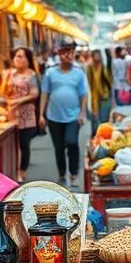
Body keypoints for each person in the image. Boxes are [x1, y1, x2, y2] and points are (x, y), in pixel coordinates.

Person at [39, 38, 88, 190]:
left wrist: (82, 113)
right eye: (65, 52)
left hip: (73, 116)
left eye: (71, 52)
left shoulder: (79, 73)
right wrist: (41, 114)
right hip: (54, 116)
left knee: (72, 142)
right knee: (59, 147)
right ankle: (62, 173)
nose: (69, 55)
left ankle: (73, 174)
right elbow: (45, 93)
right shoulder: (50, 72)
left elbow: (83, 94)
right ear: (59, 53)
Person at [0, 47, 40, 183]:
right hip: (11, 113)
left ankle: (22, 172)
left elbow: (35, 94)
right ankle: (11, 171)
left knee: (24, 144)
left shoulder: (31, 75)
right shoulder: (10, 74)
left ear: (28, 59)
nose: (18, 59)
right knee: (11, 144)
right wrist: (5, 79)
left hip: (26, 114)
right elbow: (2, 93)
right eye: (17, 56)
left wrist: (19, 100)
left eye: (22, 56)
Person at [86, 49, 112, 134]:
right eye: (95, 55)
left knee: (104, 120)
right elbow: (89, 83)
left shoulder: (104, 67)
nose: (97, 57)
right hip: (94, 98)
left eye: (98, 55)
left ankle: (103, 139)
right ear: (92, 56)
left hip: (105, 96)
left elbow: (109, 81)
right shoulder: (90, 68)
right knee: (95, 120)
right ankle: (95, 140)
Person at [110, 46, 131, 120]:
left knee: (121, 107)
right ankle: (126, 120)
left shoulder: (115, 61)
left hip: (119, 87)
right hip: (126, 87)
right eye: (123, 51)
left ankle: (122, 121)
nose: (125, 52)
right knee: (127, 107)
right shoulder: (127, 60)